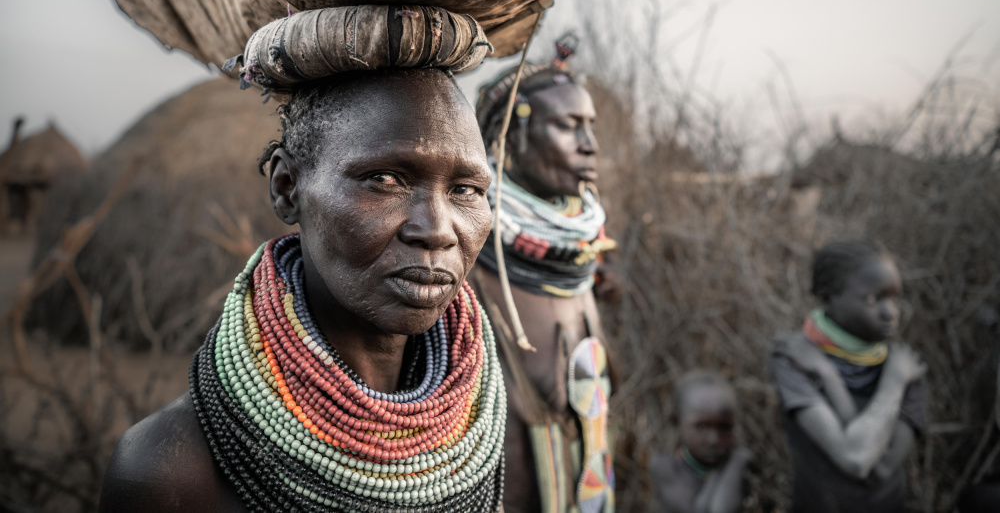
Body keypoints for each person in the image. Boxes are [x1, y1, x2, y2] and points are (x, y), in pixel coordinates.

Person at [97, 61, 507, 511]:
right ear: (287, 187)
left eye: (466, 189)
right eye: (385, 180)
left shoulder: (479, 432)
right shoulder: (166, 473)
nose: (436, 231)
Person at [468, 35, 623, 513]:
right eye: (568, 125)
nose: (589, 146)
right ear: (508, 138)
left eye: (590, 127)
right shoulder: (465, 258)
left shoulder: (586, 248)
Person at [770, 240, 927, 513]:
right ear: (827, 296)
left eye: (895, 298)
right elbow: (857, 458)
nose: (890, 312)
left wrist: (828, 375)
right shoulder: (792, 355)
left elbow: (873, 468)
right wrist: (831, 372)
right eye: (872, 299)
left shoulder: (904, 368)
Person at [650, 370, 751, 513]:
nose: (714, 440)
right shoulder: (665, 468)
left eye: (724, 427)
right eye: (702, 426)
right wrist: (737, 461)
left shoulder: (744, 472)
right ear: (677, 422)